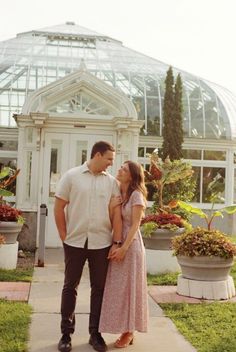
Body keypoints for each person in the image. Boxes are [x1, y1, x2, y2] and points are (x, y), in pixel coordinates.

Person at [54, 141, 122, 352]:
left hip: (101, 243)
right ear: (98, 155)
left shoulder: (112, 183)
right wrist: (65, 237)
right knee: (69, 287)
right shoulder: (71, 176)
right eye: (109, 158)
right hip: (74, 242)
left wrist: (116, 242)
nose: (112, 163)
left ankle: (95, 334)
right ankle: (66, 334)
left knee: (99, 289)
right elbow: (59, 208)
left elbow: (116, 215)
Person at [99, 161, 148, 348]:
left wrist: (124, 248)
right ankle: (125, 328)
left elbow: (136, 225)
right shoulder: (120, 192)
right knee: (119, 288)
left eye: (124, 169)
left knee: (130, 288)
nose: (119, 170)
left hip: (132, 245)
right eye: (121, 167)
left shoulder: (136, 195)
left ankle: (129, 331)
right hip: (119, 242)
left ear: (132, 176)